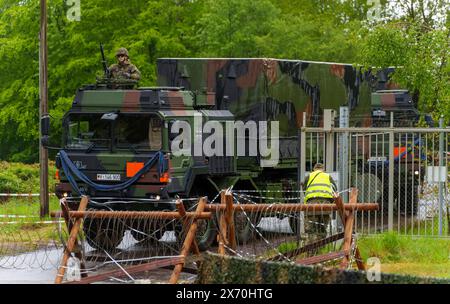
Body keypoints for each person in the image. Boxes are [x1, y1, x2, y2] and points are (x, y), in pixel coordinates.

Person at [302, 163, 337, 241]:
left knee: (311, 230)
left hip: (311, 205)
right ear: (323, 169)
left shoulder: (309, 176)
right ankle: (321, 247)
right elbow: (334, 190)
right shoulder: (328, 176)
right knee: (322, 229)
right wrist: (330, 201)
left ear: (314, 169)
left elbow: (304, 189)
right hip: (325, 205)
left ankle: (311, 249)